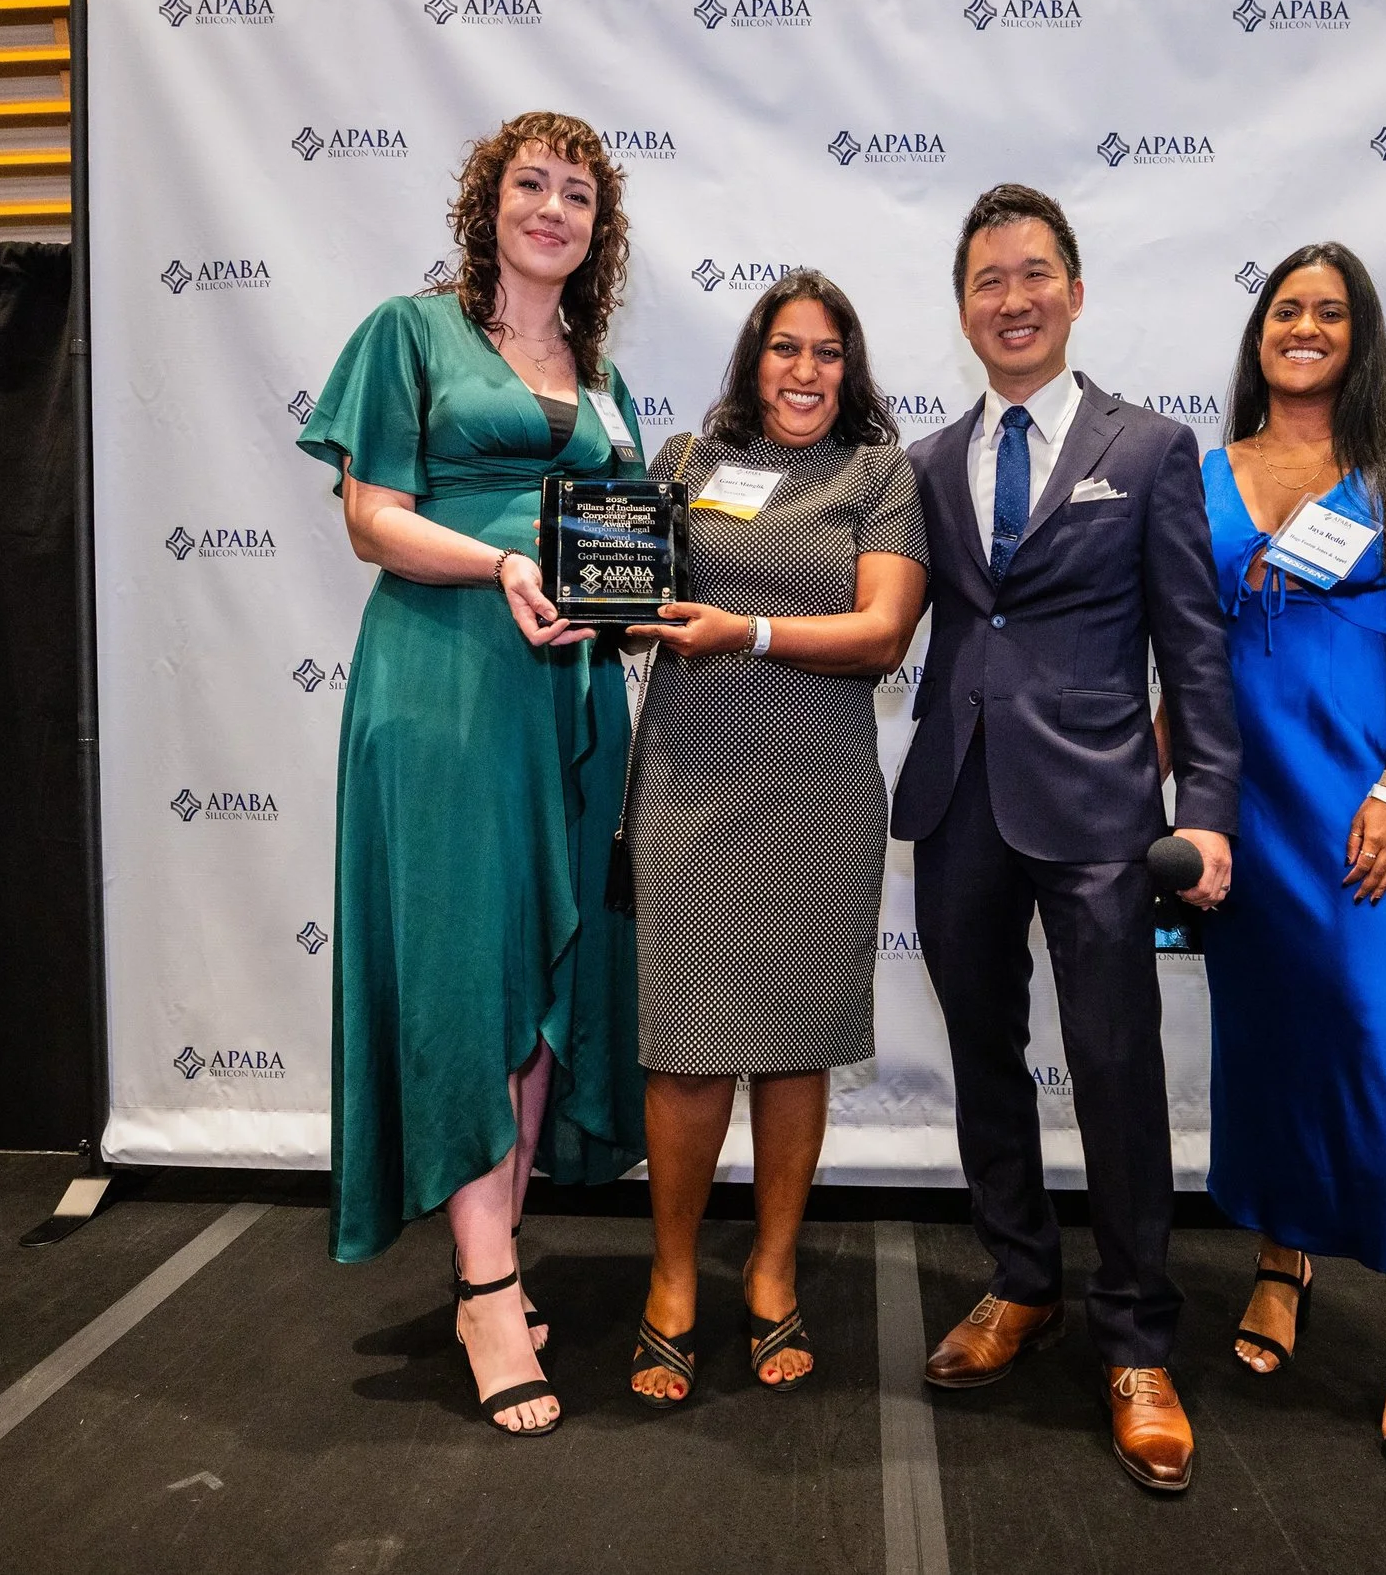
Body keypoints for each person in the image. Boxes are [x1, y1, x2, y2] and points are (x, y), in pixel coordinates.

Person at [295, 111, 649, 1438]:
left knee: (545, 974)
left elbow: (621, 542)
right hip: (445, 683)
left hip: (569, 697)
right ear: (487, 205)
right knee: (464, 970)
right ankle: (490, 1286)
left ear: (598, 229)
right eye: (531, 185)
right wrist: (502, 561)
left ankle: (488, 1253)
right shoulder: (411, 332)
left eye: (578, 194)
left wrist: (630, 607)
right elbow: (371, 518)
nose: (554, 208)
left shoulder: (603, 375)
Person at [891, 184, 1240, 1493]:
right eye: (988, 279)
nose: (1013, 298)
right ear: (963, 307)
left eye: (1034, 273)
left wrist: (1206, 810)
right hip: (957, 798)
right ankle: (1022, 1275)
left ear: (1076, 293)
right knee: (985, 1055)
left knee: (1115, 1065)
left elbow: (1194, 650)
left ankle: (1137, 1337)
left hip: (1101, 806)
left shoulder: (1149, 448)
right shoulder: (926, 462)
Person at [619, 271, 928, 1406]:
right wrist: (597, 602)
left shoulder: (878, 474)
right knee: (685, 1045)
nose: (805, 371)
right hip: (689, 785)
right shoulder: (683, 464)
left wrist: (744, 629)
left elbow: (883, 633)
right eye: (785, 347)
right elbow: (632, 599)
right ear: (754, 358)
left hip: (817, 796)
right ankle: (670, 1277)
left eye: (827, 352)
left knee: (797, 1041)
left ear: (851, 369)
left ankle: (772, 1266)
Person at [1190, 242, 1386, 1484]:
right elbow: (1184, 650)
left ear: (1360, 336)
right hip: (1237, 799)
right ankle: (1278, 1252)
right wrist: (1157, 786)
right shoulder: (1210, 472)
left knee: (1366, 1029)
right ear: (1259, 332)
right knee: (1264, 1032)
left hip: (1353, 795)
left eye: (1329, 313)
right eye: (1285, 309)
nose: (1304, 327)